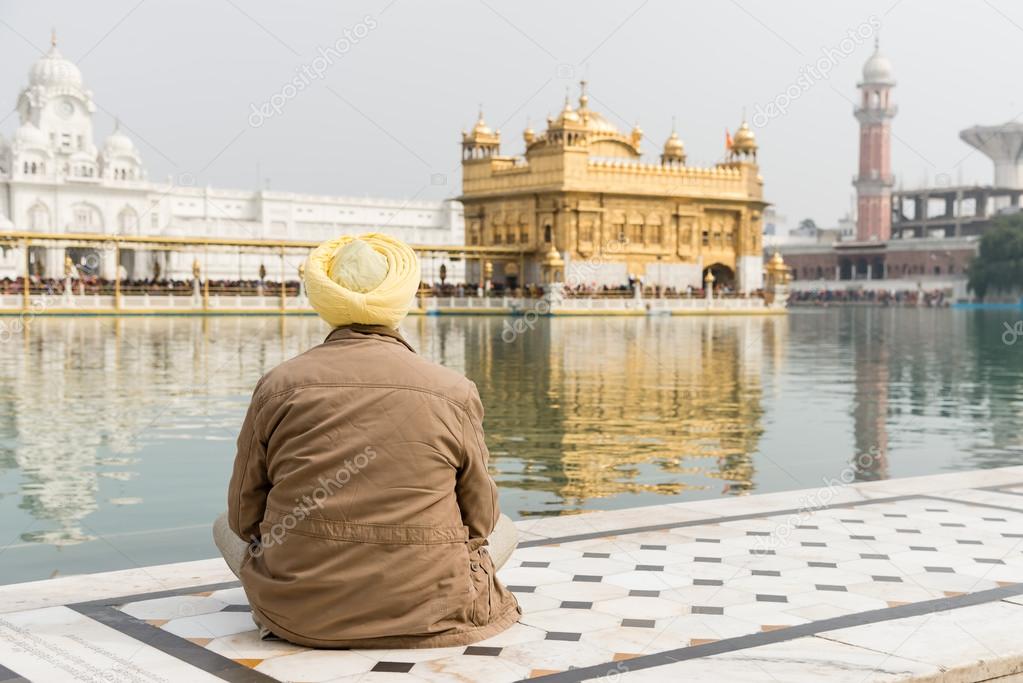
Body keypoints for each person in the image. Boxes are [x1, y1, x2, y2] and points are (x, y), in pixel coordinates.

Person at [213, 233, 520, 648]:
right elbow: (481, 521)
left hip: (301, 614)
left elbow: (241, 517)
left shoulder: (278, 385)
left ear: (324, 301)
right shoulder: (454, 389)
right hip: (434, 608)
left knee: (220, 527)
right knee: (508, 528)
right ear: (400, 300)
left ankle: (289, 609)